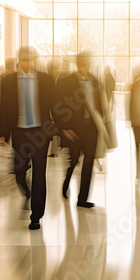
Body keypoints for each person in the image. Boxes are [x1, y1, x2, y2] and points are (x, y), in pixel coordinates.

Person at [0, 47, 55, 230]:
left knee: (39, 173)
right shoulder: (8, 80)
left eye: (30, 59)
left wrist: (61, 130)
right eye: (24, 59)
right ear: (18, 60)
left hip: (40, 131)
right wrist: (3, 133)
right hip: (19, 131)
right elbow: (4, 107)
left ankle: (36, 216)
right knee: (19, 170)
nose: (27, 62)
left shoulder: (45, 79)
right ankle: (27, 190)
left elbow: (55, 105)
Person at [55, 52, 105, 208]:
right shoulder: (65, 82)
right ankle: (67, 180)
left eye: (88, 61)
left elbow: (99, 104)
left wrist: (100, 123)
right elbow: (57, 106)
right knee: (75, 160)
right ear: (78, 62)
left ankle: (82, 199)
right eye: (83, 61)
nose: (86, 64)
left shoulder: (95, 80)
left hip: (91, 127)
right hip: (74, 128)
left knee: (89, 161)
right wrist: (63, 128)